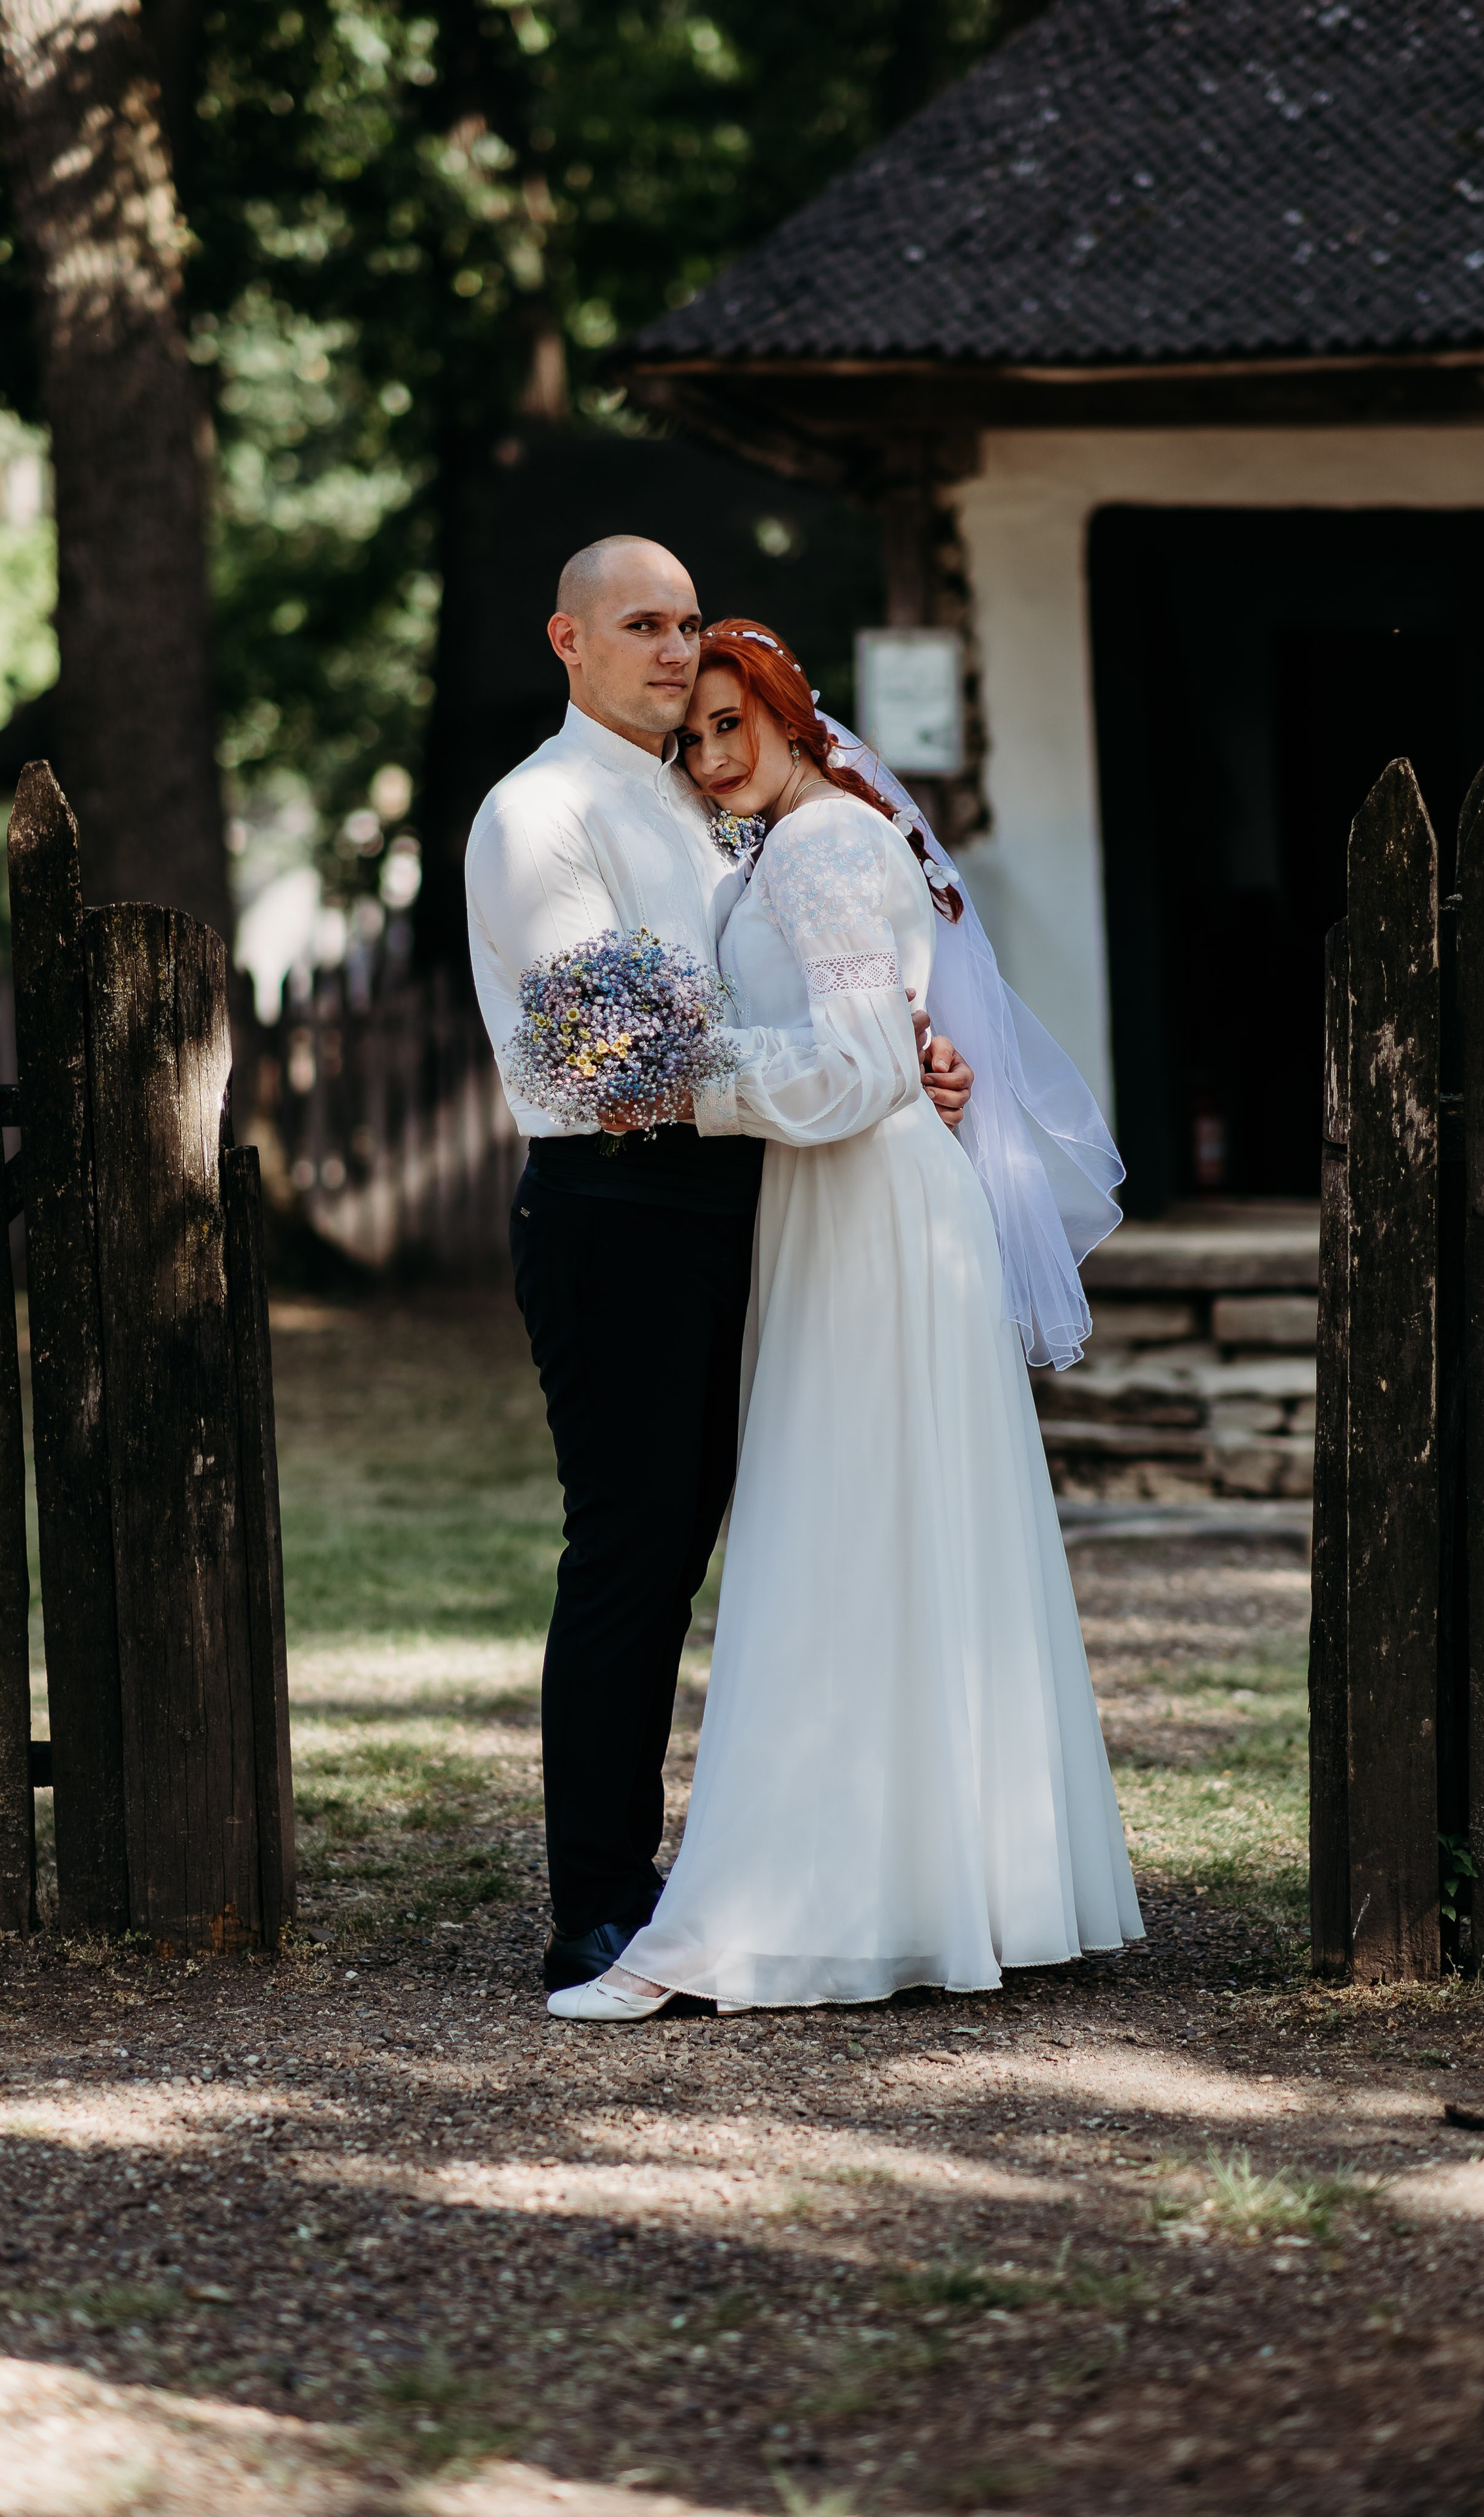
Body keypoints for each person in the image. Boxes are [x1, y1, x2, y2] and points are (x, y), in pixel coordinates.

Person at [547, 619, 1142, 2021]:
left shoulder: (817, 845)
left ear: (788, 714)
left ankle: (791, 1905)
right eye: (690, 738)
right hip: (853, 1201)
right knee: (892, 1533)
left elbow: (859, 1062)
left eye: (729, 722)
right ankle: (949, 1886)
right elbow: (882, 1046)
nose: (709, 756)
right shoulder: (815, 838)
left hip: (865, 1211)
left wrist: (672, 1067)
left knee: (839, 1530)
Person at [464, 539, 973, 1993]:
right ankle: (599, 1901)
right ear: (567, 639)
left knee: (786, 1548)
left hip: (763, 1196)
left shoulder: (713, 803)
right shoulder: (536, 815)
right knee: (633, 1553)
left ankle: (807, 1863)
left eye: (688, 625)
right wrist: (846, 1077)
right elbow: (613, 1053)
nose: (676, 650)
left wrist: (886, 1064)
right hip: (618, 1210)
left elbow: (788, 986)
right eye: (642, 625)